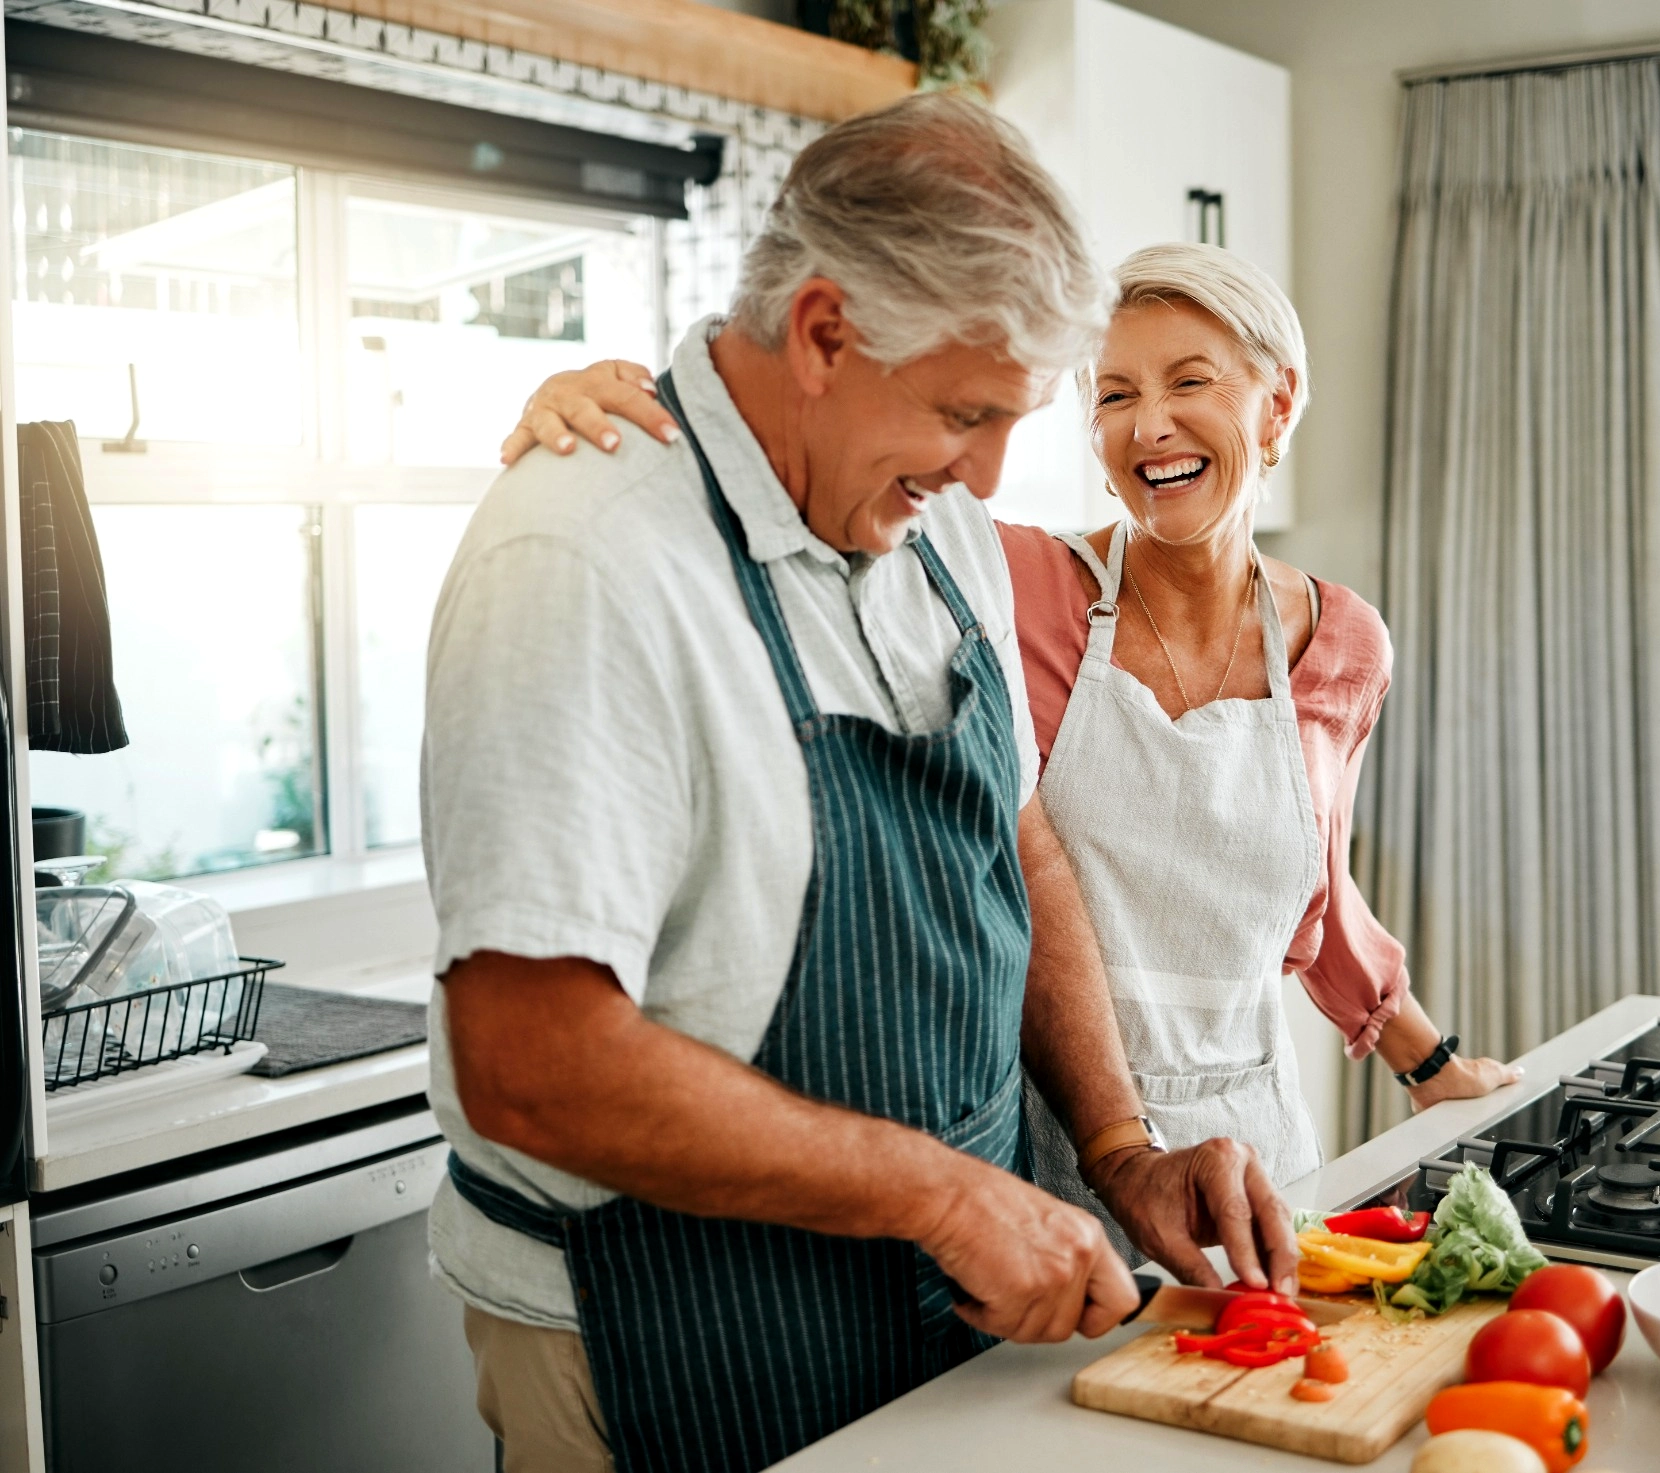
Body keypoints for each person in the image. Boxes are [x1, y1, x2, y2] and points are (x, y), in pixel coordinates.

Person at [425, 96, 1298, 1473]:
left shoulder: (929, 517)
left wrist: (1120, 1149)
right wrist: (940, 1194)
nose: (987, 475)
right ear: (824, 332)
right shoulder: (586, 557)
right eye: (964, 413)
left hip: (923, 1291)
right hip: (668, 1320)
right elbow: (531, 1064)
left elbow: (1017, 845)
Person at [505, 241, 1521, 1262]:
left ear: (1278, 402)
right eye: (1112, 393)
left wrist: (1428, 1062)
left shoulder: (1340, 641)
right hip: (1045, 1153)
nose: (1148, 423)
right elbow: (808, 471)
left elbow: (1311, 887)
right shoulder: (1013, 579)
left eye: (1190, 381)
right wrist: (628, 412)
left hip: (1259, 1150)